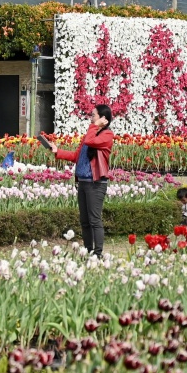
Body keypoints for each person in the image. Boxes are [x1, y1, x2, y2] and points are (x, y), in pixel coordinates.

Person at [39, 104, 115, 258]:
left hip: (96, 183)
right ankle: (88, 250)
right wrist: (57, 151)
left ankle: (98, 253)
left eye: (94, 115)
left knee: (94, 220)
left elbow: (91, 142)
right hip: (83, 182)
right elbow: (76, 156)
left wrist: (94, 126)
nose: (91, 118)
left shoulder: (107, 135)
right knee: (85, 221)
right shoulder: (90, 134)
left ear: (103, 119)